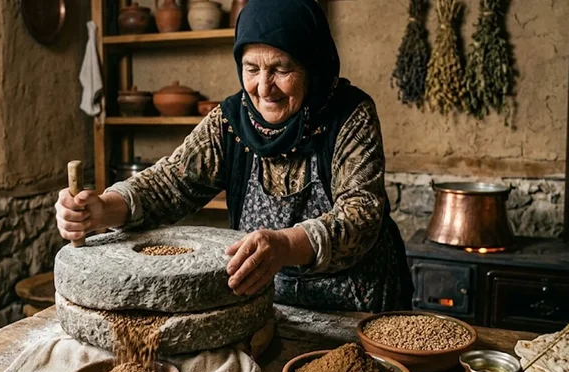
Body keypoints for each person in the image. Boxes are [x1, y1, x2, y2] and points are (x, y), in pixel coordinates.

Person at [55, 0, 413, 313]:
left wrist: (286, 245)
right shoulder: (231, 121)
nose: (263, 87)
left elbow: (361, 216)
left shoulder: (349, 115)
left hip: (356, 307)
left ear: (313, 65)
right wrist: (103, 208)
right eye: (251, 68)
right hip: (272, 304)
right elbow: (169, 183)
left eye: (281, 69)